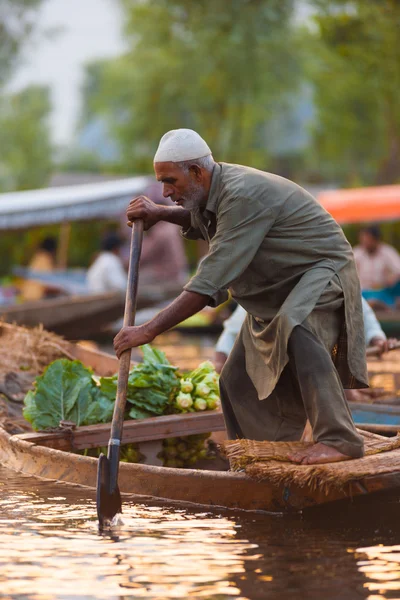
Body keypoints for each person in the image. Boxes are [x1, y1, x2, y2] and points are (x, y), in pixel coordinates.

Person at [114, 128, 368, 465]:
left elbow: (209, 281)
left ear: (196, 172)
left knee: (299, 329)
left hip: (320, 271)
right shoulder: (214, 191)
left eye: (170, 181)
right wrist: (161, 213)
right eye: (162, 183)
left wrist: (148, 331)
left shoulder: (242, 195)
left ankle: (341, 439)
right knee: (235, 379)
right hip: (278, 287)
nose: (165, 191)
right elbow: (203, 219)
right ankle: (260, 454)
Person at [353, 225, 400, 309]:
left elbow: (398, 270)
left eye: (368, 240)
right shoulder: (357, 253)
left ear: (376, 240)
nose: (365, 242)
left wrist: (392, 277)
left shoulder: (387, 252)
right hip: (362, 292)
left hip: (383, 291)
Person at [20, 236, 58, 301]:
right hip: (36, 298)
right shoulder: (45, 259)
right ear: (53, 250)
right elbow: (47, 285)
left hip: (26, 297)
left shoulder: (37, 258)